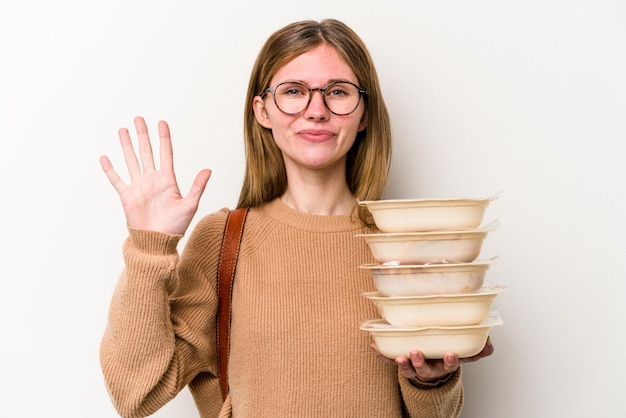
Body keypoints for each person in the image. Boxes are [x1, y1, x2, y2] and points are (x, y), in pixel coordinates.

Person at [99, 19, 493, 418]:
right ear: (263, 111)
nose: (316, 111)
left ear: (365, 113)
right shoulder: (223, 240)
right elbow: (136, 394)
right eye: (294, 92)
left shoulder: (405, 244)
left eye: (337, 92)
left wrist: (431, 380)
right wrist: (149, 246)